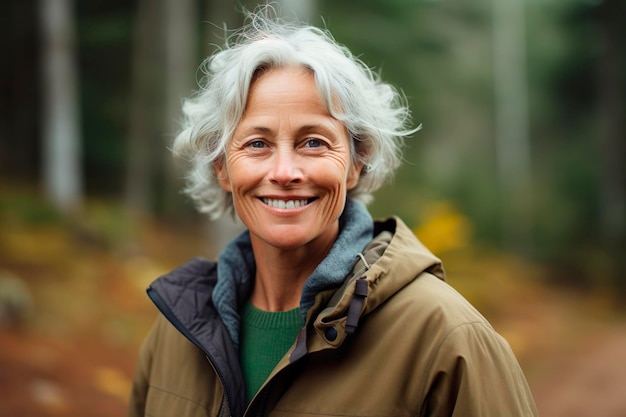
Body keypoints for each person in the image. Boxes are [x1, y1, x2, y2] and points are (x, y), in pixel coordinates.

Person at [128, 8, 538, 417]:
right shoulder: (176, 334)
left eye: (313, 142)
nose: (285, 172)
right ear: (221, 167)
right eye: (257, 143)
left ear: (357, 161)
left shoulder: (446, 339)